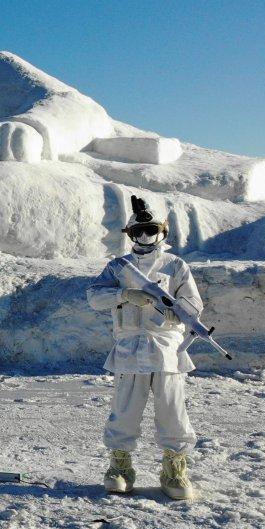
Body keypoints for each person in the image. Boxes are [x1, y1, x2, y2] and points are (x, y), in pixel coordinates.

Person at [86, 197, 201, 500]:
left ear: (163, 232)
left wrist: (169, 311)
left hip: (166, 349)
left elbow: (193, 306)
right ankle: (120, 466)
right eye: (138, 233)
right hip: (128, 349)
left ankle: (175, 468)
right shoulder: (117, 267)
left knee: (173, 411)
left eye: (151, 231)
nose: (145, 238)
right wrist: (125, 295)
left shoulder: (176, 266)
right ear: (130, 235)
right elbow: (95, 297)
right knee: (124, 411)